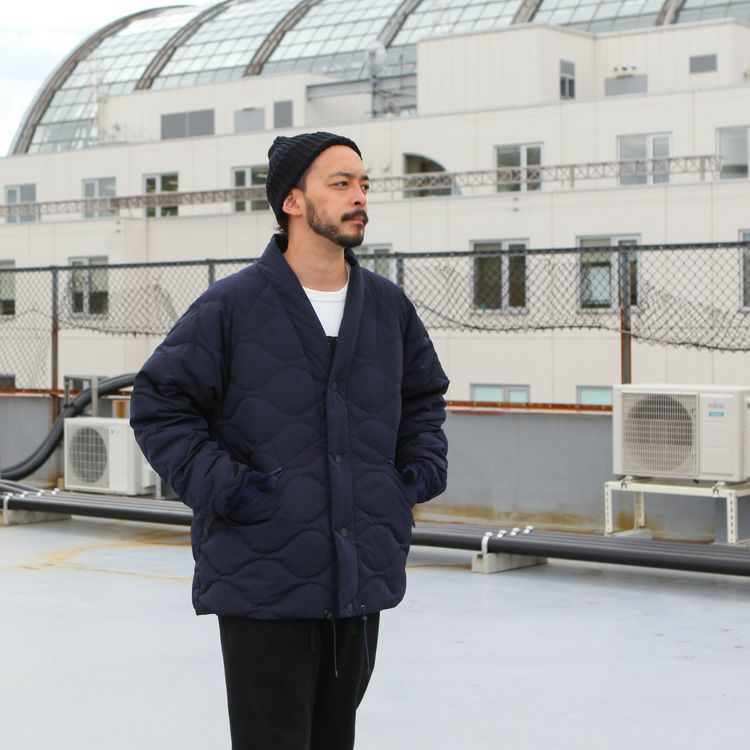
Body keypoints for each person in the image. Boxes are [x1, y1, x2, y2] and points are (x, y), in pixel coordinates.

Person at [129, 131, 449, 749]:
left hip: (359, 579)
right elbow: (160, 406)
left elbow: (424, 399)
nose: (359, 197)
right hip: (262, 578)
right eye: (341, 184)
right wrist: (233, 491)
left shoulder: (388, 308)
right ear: (293, 201)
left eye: (364, 184)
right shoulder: (232, 305)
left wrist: (411, 477)